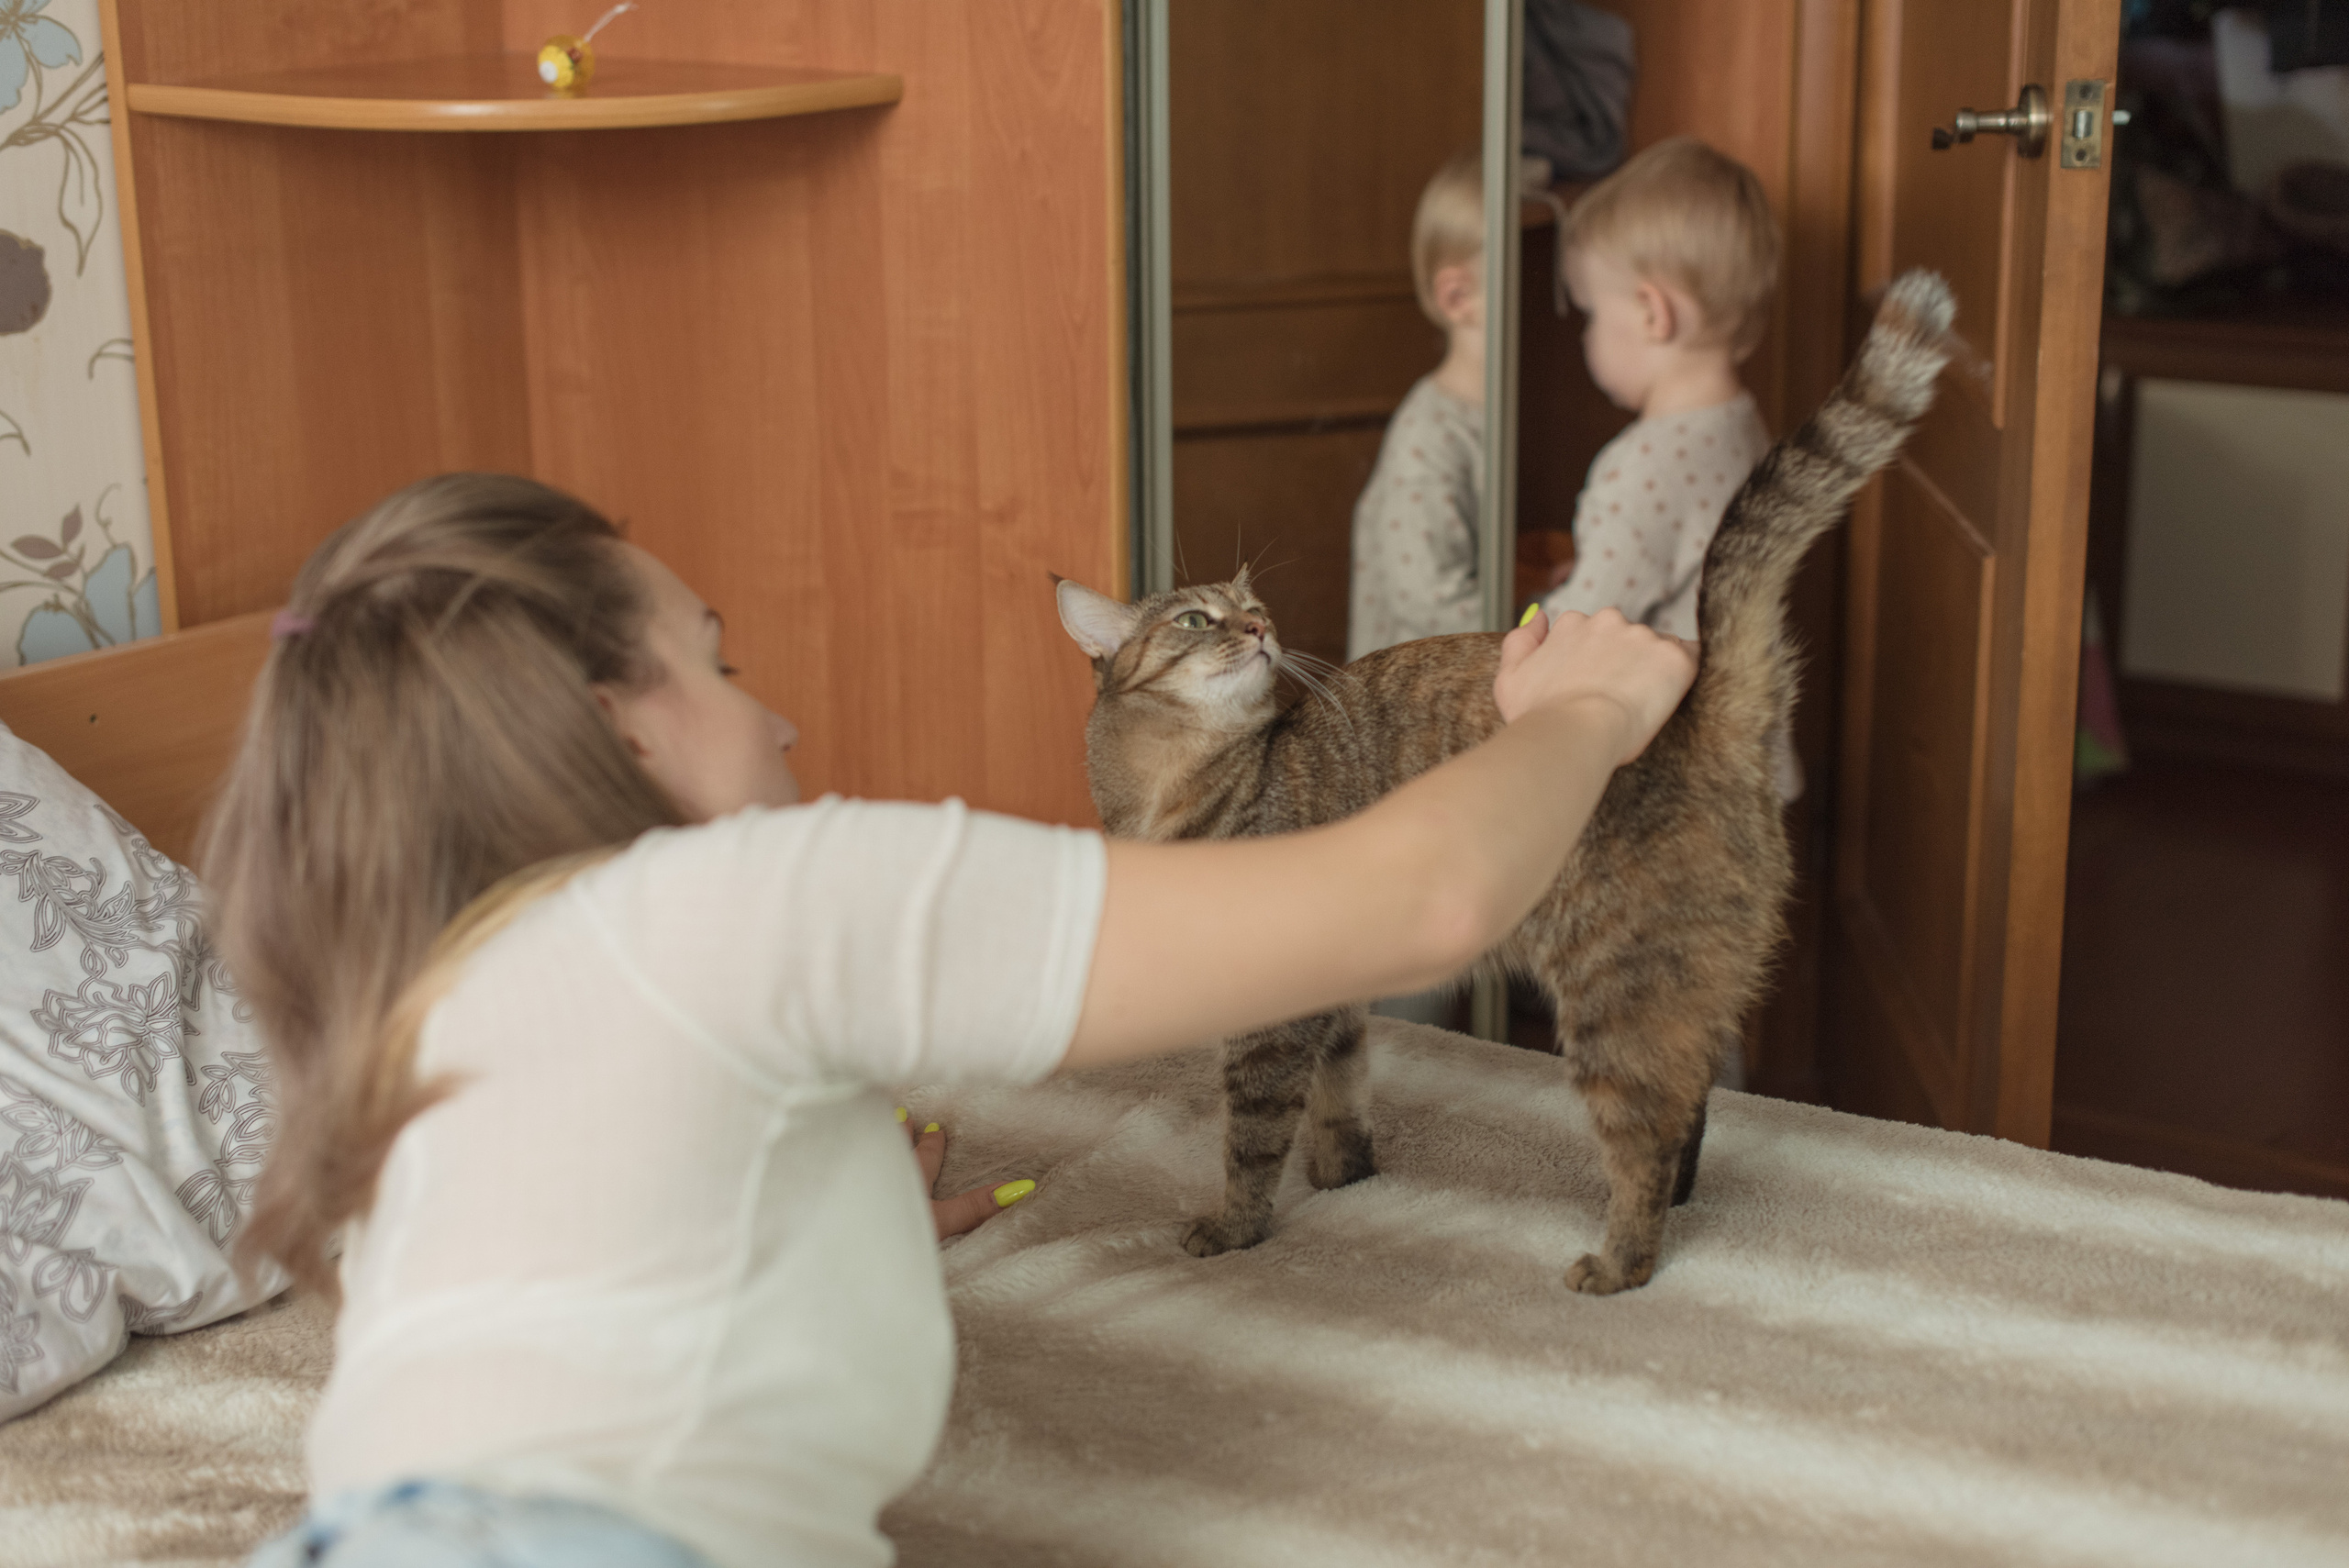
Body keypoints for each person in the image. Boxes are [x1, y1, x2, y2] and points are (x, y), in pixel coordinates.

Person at [214, 473, 1695, 1568]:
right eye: (722, 665)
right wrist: (1583, 710)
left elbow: (538, 1319)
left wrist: (810, 1236)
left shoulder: (425, 1007)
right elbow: (1424, 897)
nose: (777, 719)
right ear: (619, 726)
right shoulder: (738, 896)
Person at [1346, 150, 1487, 662]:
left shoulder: (1511, 416)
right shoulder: (1429, 439)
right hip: (1415, 714)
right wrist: (1550, 611)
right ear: (1459, 297)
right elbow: (1429, 608)